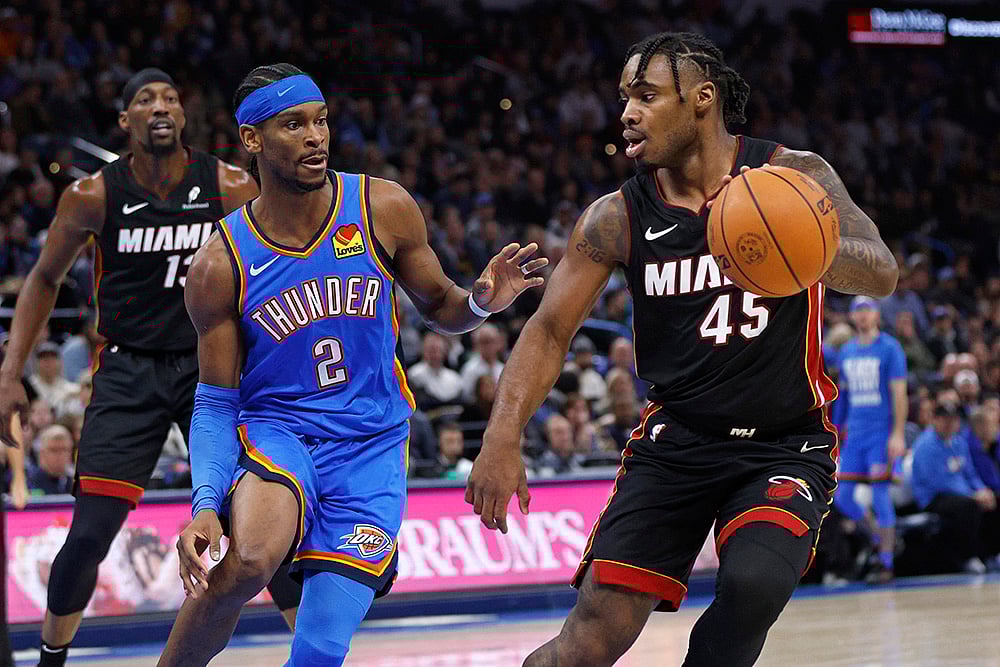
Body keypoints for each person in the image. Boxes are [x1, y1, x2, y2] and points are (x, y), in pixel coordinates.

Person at [465, 31, 897, 667]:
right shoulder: (615, 216)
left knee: (752, 586)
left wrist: (802, 240)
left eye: (645, 96)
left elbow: (882, 272)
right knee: (589, 640)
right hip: (676, 443)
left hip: (783, 443)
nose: (626, 114)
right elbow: (549, 330)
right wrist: (501, 438)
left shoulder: (794, 175)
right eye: (623, 98)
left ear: (702, 100)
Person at [156, 63, 546, 666]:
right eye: (294, 125)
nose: (315, 137)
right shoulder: (220, 262)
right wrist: (205, 505)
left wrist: (480, 302)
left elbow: (442, 306)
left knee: (320, 648)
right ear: (253, 140)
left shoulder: (381, 207)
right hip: (278, 433)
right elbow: (213, 400)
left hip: (370, 442)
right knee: (251, 559)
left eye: (321, 121)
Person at [0, 68, 299, 667]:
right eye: (145, 98)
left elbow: (281, 266)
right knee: (87, 536)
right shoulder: (92, 195)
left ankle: (318, 653)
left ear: (184, 117)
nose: (160, 105)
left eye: (170, 97)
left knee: (263, 533)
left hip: (210, 369)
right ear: (125, 120)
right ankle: (51, 659)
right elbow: (42, 279)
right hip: (128, 373)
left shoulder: (228, 184)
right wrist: (10, 373)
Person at [834, 296, 907, 582]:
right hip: (855, 435)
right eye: (858, 311)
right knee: (843, 498)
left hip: (881, 434)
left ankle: (886, 563)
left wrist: (898, 433)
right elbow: (843, 397)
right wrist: (837, 430)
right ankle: (881, 538)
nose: (863, 316)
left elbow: (899, 393)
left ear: (876, 314)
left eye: (868, 310)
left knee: (879, 494)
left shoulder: (890, 348)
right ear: (852, 317)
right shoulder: (847, 351)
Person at [911, 402, 996, 573]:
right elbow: (937, 482)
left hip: (959, 493)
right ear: (935, 420)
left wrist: (982, 490)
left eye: (953, 419)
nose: (949, 423)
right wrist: (972, 495)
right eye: (944, 419)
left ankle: (992, 553)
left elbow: (970, 473)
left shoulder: (959, 442)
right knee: (968, 506)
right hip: (932, 497)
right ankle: (967, 557)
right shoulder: (925, 446)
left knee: (993, 499)